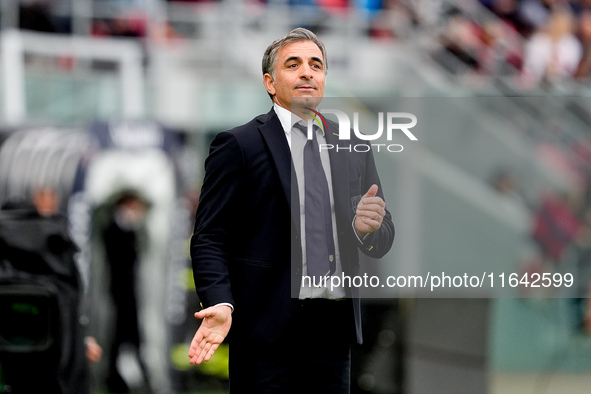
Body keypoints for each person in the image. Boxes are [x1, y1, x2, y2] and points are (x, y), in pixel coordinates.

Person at [188, 27, 395, 393]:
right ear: (270, 82)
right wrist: (220, 300)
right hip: (265, 335)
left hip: (332, 335)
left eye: (316, 65)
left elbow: (381, 234)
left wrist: (368, 229)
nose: (307, 72)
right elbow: (209, 237)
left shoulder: (354, 145)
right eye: (294, 64)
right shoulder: (239, 145)